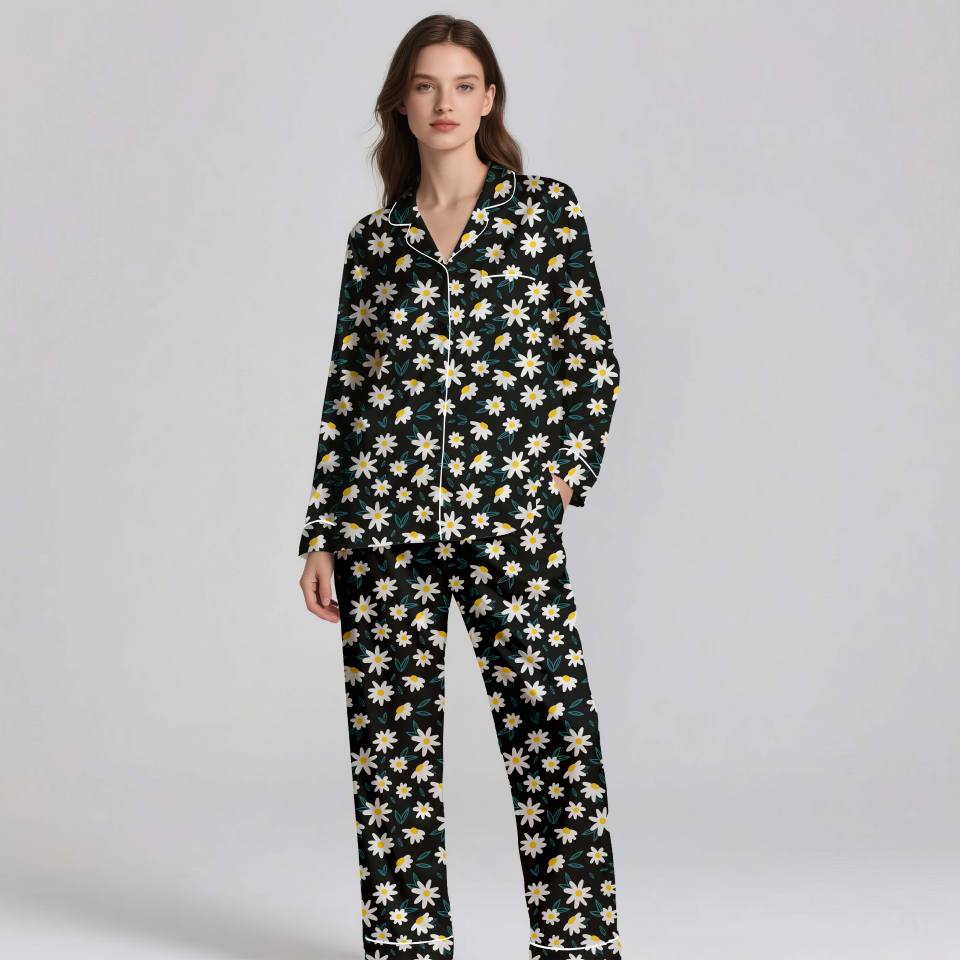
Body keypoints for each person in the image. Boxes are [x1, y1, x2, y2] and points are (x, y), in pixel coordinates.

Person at [297, 14, 624, 959]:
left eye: (463, 84)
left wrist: (559, 476)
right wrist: (321, 530)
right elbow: (348, 393)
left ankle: (575, 943)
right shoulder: (376, 242)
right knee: (391, 759)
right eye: (426, 84)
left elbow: (591, 358)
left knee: (554, 737)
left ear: (489, 100)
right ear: (401, 103)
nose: (445, 102)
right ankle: (407, 945)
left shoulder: (545, 212)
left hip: (508, 519)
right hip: (383, 523)